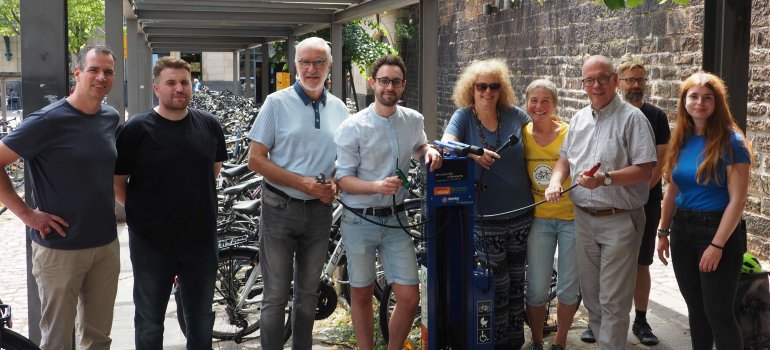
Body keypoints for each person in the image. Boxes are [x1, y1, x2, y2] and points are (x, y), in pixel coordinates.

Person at [0, 45, 120, 350]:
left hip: (105, 246)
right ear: (78, 73)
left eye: (108, 71)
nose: (101, 77)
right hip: (60, 250)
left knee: (98, 339)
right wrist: (27, 214)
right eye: (93, 69)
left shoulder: (110, 117)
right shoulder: (48, 121)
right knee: (57, 340)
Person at [114, 56, 227, 349]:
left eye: (184, 82)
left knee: (201, 320)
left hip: (200, 242)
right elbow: (117, 183)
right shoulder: (136, 130)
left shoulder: (210, 125)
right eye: (171, 83)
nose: (179, 88)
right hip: (152, 244)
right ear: (156, 88)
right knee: (150, 322)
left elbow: (211, 173)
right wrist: (146, 216)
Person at [544, 55, 656, 350]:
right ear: (582, 84)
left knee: (613, 301)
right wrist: (556, 181)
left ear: (615, 81)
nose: (596, 85)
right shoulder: (579, 119)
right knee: (592, 296)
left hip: (620, 217)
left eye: (603, 78)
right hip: (583, 218)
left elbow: (646, 170)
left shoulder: (633, 119)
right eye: (589, 80)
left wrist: (605, 178)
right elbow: (564, 159)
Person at [246, 36, 348, 350]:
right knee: (275, 296)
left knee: (308, 295)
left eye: (319, 62)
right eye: (305, 61)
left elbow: (342, 161)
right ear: (295, 65)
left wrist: (334, 183)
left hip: (319, 211)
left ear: (329, 66)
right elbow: (255, 159)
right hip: (279, 207)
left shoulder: (340, 109)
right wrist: (300, 182)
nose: (311, 68)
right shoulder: (276, 103)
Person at [335, 54, 442, 350]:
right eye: (383, 81)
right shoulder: (353, 126)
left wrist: (428, 151)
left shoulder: (413, 120)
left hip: (396, 220)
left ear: (403, 85)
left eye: (395, 82)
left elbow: (419, 145)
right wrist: (376, 185)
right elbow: (343, 178)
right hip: (359, 219)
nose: (389, 87)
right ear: (373, 83)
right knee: (361, 293)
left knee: (409, 297)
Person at [441, 58, 533, 349]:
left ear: (501, 88)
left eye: (494, 86)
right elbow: (446, 143)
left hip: (520, 211)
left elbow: (544, 139)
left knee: (519, 279)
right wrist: (473, 154)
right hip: (485, 214)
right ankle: (493, 339)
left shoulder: (516, 116)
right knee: (497, 282)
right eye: (482, 86)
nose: (488, 92)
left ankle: (515, 339)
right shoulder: (463, 117)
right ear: (472, 88)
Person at [656, 72, 751, 350]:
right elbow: (673, 189)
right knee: (696, 311)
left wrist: (717, 245)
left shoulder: (731, 141)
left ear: (717, 102)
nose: (700, 103)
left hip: (717, 229)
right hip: (682, 229)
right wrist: (663, 231)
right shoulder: (682, 138)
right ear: (684, 100)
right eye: (693, 96)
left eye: (707, 97)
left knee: (719, 314)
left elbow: (739, 200)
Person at [610, 60, 670, 346]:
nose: (635, 85)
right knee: (608, 261)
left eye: (640, 80)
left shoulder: (656, 117)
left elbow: (658, 163)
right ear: (619, 82)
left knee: (641, 262)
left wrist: (635, 195)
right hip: (611, 201)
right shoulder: (609, 114)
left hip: (644, 202)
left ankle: (641, 320)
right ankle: (604, 318)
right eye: (630, 79)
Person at [522, 79, 578, 350]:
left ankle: (560, 340)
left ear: (555, 105)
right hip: (539, 219)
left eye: (546, 101)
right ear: (526, 103)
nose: (539, 106)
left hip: (571, 219)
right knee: (536, 286)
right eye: (534, 100)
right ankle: (535, 339)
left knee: (568, 286)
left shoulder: (569, 133)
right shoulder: (521, 133)